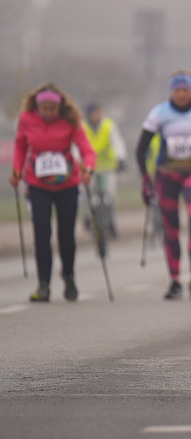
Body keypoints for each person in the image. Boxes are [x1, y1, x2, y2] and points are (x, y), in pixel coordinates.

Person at [135, 71, 191, 300]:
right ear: (171, 92)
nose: (182, 94)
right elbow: (140, 149)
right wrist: (145, 178)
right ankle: (174, 279)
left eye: (185, 90)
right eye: (177, 90)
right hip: (167, 175)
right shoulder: (159, 113)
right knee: (170, 227)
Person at [10, 83, 95, 302]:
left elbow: (86, 149)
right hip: (37, 183)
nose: (48, 113)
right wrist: (17, 169)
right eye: (43, 108)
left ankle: (68, 276)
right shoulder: (26, 119)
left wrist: (88, 168)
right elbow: (20, 146)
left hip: (67, 183)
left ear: (59, 107)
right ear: (36, 106)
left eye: (52, 109)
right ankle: (44, 284)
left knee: (66, 235)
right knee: (41, 232)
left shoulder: (71, 119)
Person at [82, 102, 128, 238]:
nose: (96, 115)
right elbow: (76, 146)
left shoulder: (108, 125)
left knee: (110, 195)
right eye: (93, 113)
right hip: (89, 168)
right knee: (87, 194)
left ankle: (110, 223)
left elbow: (117, 142)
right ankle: (87, 218)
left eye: (98, 112)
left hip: (107, 166)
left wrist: (120, 158)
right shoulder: (82, 128)